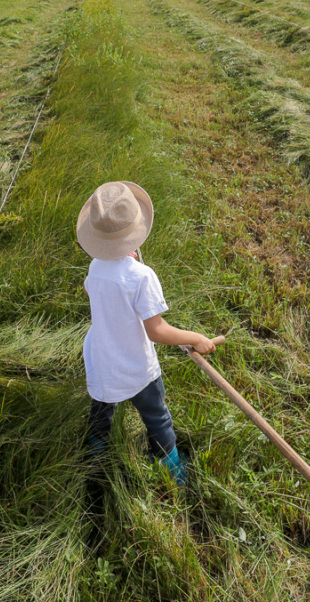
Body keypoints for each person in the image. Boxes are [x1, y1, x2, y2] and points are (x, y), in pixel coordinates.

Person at [78, 182, 221, 485]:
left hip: (102, 361)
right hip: (135, 367)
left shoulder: (94, 266)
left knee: (101, 414)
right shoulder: (140, 276)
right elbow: (156, 331)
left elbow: (89, 289)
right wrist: (195, 338)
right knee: (157, 418)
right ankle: (174, 474)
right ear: (136, 230)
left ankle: (94, 460)